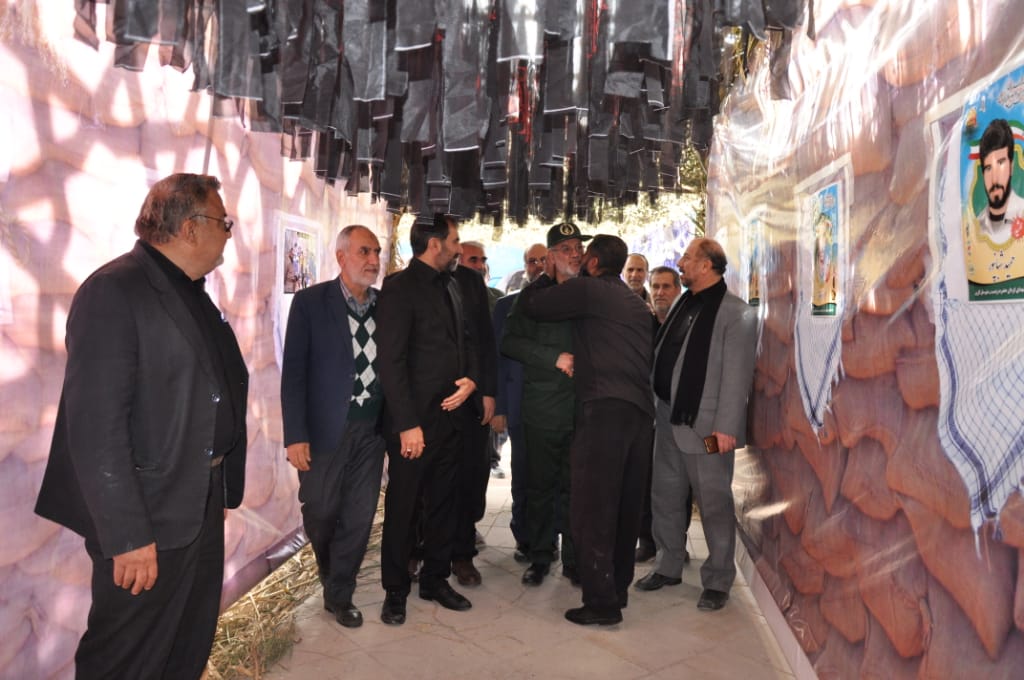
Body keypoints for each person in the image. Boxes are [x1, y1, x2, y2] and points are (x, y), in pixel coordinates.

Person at [35, 173, 249, 678]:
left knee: (187, 643)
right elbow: (95, 429)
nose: (229, 233)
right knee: (127, 658)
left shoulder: (190, 291)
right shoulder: (114, 290)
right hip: (146, 516)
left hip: (195, 501)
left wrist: (212, 490)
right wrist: (127, 535)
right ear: (191, 228)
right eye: (224, 223)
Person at [519, 234, 654, 626]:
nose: (576, 259)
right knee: (626, 508)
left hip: (604, 412)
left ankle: (600, 603)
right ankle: (618, 589)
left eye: (582, 255)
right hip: (640, 416)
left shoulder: (590, 290)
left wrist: (548, 273)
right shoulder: (634, 301)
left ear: (594, 263)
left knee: (593, 508)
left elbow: (534, 307)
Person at [635, 238, 757, 612]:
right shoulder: (683, 303)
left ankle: (718, 580)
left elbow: (737, 376)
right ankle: (668, 565)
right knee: (665, 496)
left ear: (706, 266)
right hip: (667, 418)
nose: (681, 263)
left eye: (687, 258)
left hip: (707, 429)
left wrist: (726, 428)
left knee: (714, 503)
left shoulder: (737, 313)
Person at [376, 213, 480, 625]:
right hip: (414, 426)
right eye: (454, 241)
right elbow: (391, 361)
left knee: (443, 505)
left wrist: (471, 380)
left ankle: (435, 579)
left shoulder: (452, 284)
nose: (458, 248)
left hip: (452, 419)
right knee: (403, 508)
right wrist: (407, 424)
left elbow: (465, 341)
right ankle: (395, 590)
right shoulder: (398, 288)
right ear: (434, 244)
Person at [280, 225, 386, 629]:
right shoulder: (310, 302)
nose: (373, 260)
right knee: (321, 509)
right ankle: (329, 570)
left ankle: (340, 593)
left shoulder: (386, 305)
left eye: (376, 252)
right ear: (341, 256)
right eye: (364, 252)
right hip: (324, 430)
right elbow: (293, 373)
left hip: (372, 430)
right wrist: (295, 435)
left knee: (359, 515)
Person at [502, 225, 589, 587]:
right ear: (551, 256)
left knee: (577, 489)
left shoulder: (591, 291)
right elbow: (510, 342)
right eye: (566, 249)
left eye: (578, 248)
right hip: (543, 409)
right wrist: (552, 357)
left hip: (584, 410)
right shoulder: (532, 297)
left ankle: (574, 560)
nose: (575, 254)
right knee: (540, 488)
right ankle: (540, 556)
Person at [491, 243, 548, 560]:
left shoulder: (568, 303)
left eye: (543, 259)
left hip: (556, 406)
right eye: (531, 260)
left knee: (553, 479)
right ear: (525, 266)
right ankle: (524, 537)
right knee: (523, 476)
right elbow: (497, 361)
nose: (537, 265)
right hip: (519, 405)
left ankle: (549, 539)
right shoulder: (505, 306)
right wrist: (499, 408)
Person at [449, 244, 498, 587]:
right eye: (472, 259)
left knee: (471, 477)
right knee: (428, 482)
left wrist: (488, 392)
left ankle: (462, 555)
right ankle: (418, 550)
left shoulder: (473, 284)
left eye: (482, 260)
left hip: (474, 401)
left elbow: (486, 344)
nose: (479, 265)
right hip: (433, 401)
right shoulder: (413, 283)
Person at [635, 265, 685, 563]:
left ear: (678, 290)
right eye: (655, 287)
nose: (660, 293)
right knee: (645, 482)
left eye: (666, 287)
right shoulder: (641, 325)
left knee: (679, 484)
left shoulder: (687, 325)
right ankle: (648, 541)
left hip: (678, 418)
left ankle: (676, 542)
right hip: (645, 416)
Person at [974, 118, 1024, 244]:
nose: (994, 179)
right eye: (988, 168)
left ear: (1011, 166)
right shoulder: (976, 225)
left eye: (1001, 163)